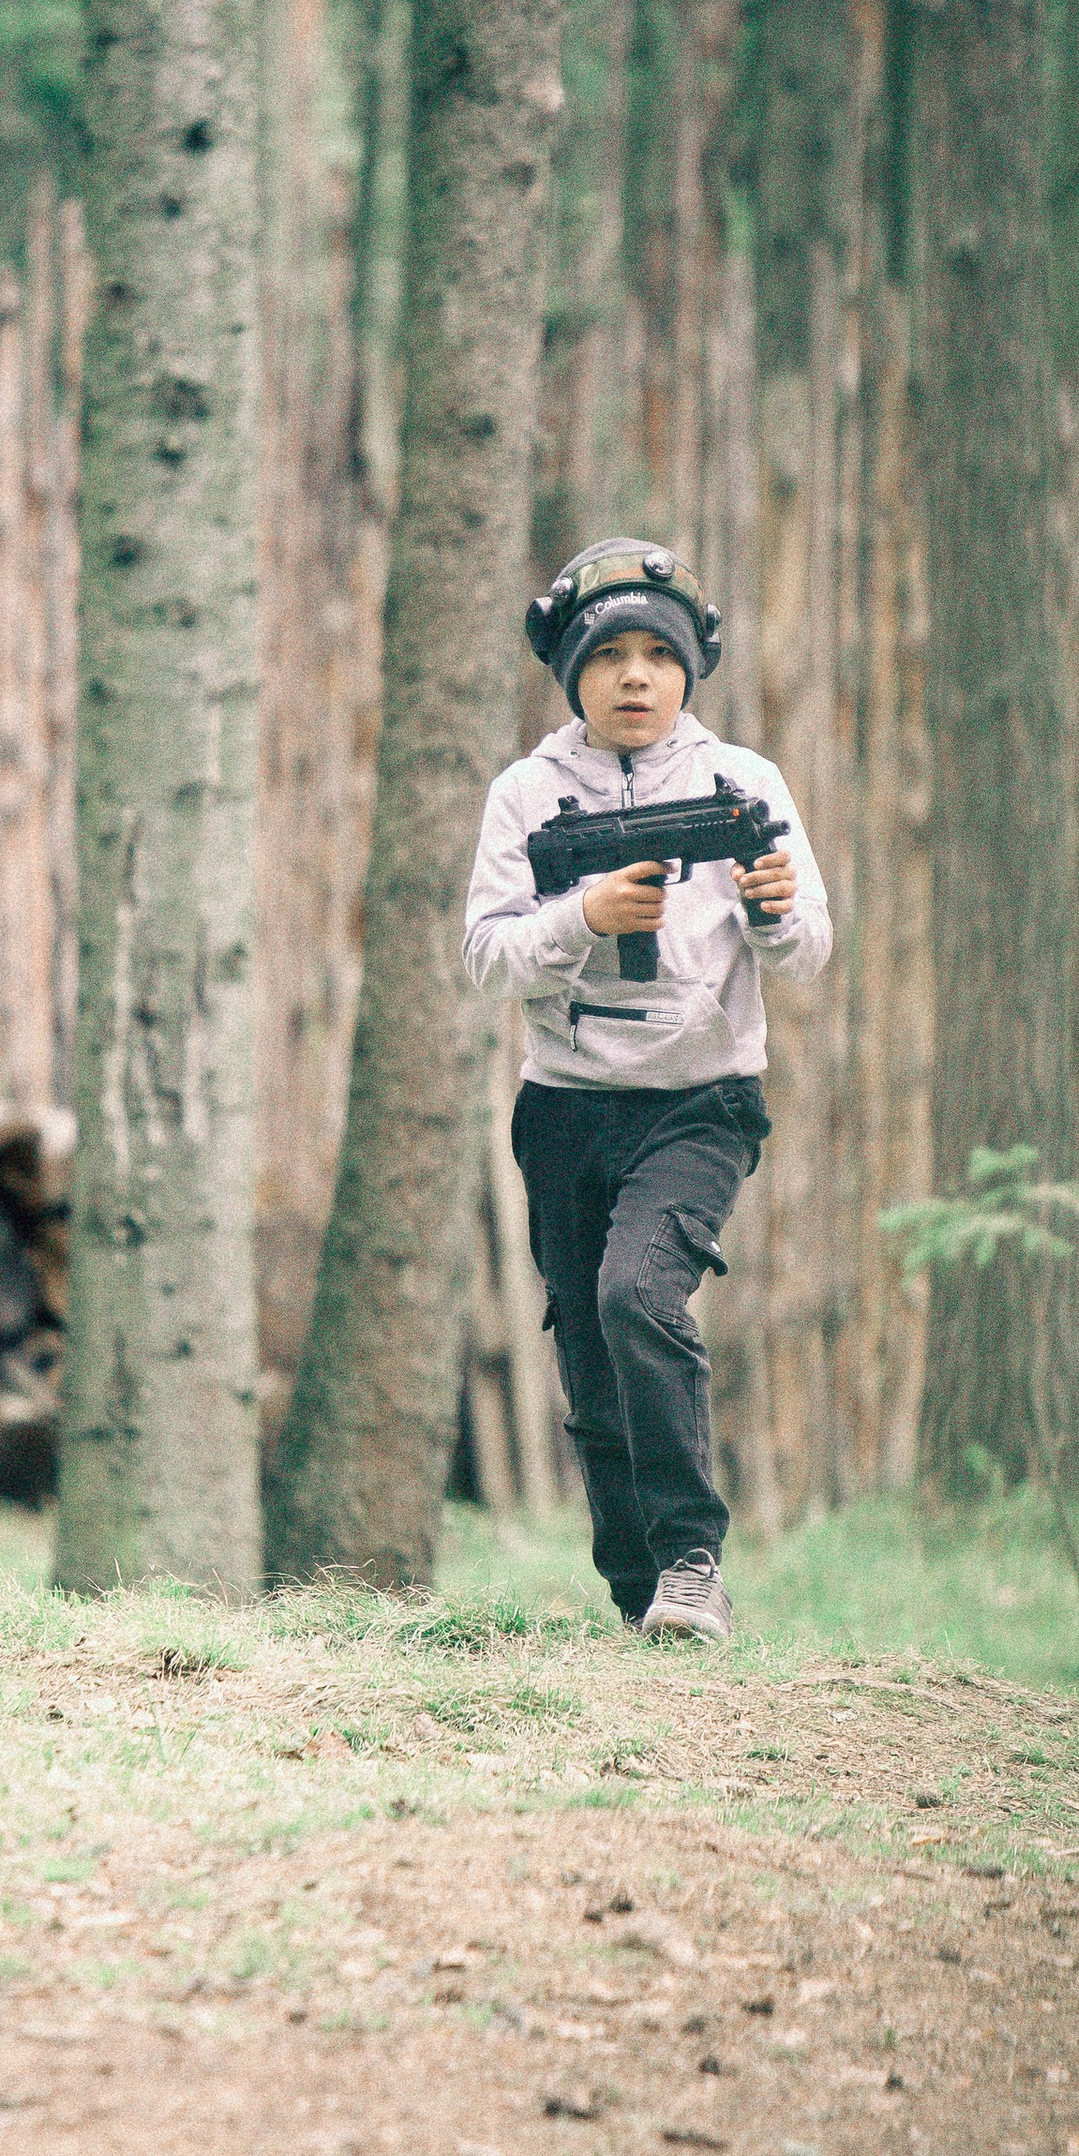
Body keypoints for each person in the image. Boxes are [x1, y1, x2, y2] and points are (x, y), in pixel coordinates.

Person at [462, 541, 832, 1642]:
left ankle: (690, 1558)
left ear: (689, 669)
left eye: (656, 657)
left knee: (638, 1299)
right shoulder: (526, 796)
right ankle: (640, 1596)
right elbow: (483, 957)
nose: (634, 677)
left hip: (698, 1101)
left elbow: (806, 950)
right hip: (565, 1108)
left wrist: (768, 908)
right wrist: (584, 918)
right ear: (571, 670)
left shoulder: (744, 784)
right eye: (609, 655)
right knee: (588, 1351)